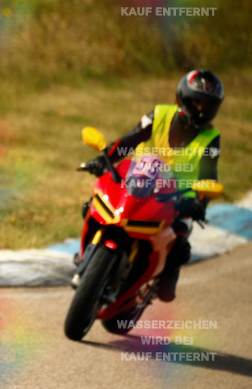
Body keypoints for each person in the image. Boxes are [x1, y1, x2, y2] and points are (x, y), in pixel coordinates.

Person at [82, 70, 224, 301]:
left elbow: (210, 175)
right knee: (93, 205)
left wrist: (200, 204)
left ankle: (163, 281)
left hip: (178, 197)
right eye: (197, 101)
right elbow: (129, 141)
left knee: (179, 245)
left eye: (208, 105)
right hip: (137, 180)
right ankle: (88, 254)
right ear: (184, 98)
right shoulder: (159, 114)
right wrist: (103, 159)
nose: (201, 109)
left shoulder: (211, 137)